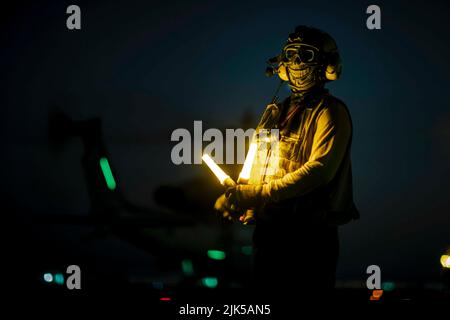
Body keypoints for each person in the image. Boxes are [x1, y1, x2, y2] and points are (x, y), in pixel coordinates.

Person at [214, 25, 359, 298]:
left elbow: (318, 172)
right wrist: (243, 201)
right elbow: (258, 167)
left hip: (310, 239)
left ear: (327, 65)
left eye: (306, 55)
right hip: (269, 236)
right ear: (281, 64)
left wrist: (255, 194)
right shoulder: (275, 112)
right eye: (291, 54)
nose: (296, 62)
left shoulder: (331, 112)